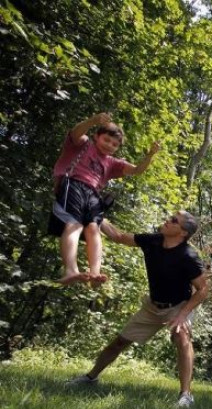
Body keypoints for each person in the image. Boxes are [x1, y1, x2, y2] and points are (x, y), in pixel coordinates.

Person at [66, 211, 208, 408]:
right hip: (152, 306)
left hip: (177, 306)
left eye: (174, 220)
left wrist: (183, 315)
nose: (167, 220)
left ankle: (186, 395)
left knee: (182, 337)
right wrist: (96, 214)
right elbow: (118, 236)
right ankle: (90, 378)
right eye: (170, 216)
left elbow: (202, 290)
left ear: (183, 232)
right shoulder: (153, 241)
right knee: (118, 343)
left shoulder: (188, 256)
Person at [49, 112, 160, 286]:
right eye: (106, 140)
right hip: (74, 184)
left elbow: (137, 170)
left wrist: (150, 156)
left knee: (93, 229)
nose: (110, 145)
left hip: (94, 194)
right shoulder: (84, 145)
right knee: (75, 225)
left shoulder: (112, 163)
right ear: (96, 136)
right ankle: (70, 270)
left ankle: (95, 273)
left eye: (115, 144)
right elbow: (75, 133)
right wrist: (93, 120)